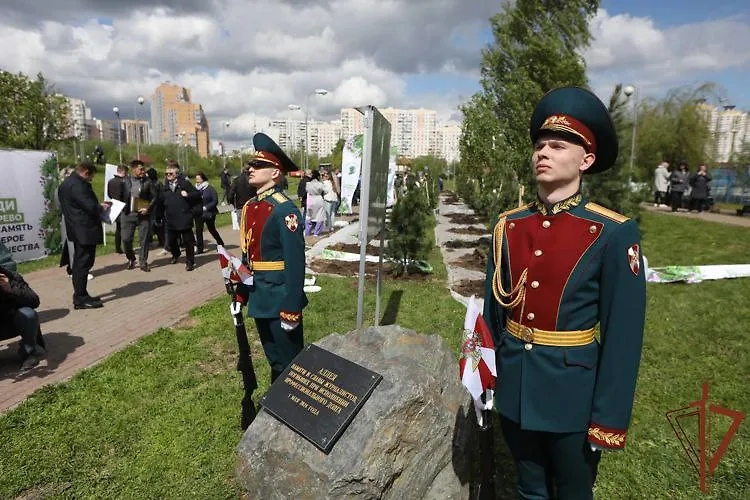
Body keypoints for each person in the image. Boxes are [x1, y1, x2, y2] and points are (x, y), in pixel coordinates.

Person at [483, 87, 646, 499]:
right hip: (516, 384)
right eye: (540, 145)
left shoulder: (611, 232)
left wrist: (608, 418)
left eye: (557, 145)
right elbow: (493, 312)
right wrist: (487, 374)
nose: (543, 153)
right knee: (528, 487)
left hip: (572, 394)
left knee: (573, 491)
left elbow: (623, 336)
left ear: (586, 160)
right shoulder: (510, 226)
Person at [239, 132, 307, 382]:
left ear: (275, 172)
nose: (251, 169)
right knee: (274, 359)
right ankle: (278, 407)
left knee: (291, 363)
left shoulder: (284, 210)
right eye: (251, 165)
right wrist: (241, 290)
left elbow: (296, 263)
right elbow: (248, 255)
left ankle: (295, 408)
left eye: (258, 165)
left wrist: (292, 306)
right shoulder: (252, 206)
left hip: (280, 298)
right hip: (260, 295)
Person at [57, 161, 110, 309]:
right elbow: (89, 206)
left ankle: (82, 294)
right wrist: (100, 207)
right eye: (90, 177)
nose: (90, 180)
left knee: (82, 263)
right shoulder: (78, 185)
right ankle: (80, 298)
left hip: (77, 228)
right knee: (82, 264)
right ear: (86, 172)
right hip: (84, 230)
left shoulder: (67, 183)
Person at [0, 265, 45, 371]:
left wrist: (10, 290)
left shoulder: (10, 276)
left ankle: (28, 352)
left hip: (10, 323)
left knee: (28, 314)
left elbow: (34, 300)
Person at [161, 161, 202, 271]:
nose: (168, 176)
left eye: (171, 173)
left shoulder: (184, 184)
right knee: (171, 241)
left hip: (184, 216)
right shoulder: (165, 187)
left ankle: (190, 262)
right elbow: (160, 201)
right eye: (167, 174)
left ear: (177, 174)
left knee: (188, 241)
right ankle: (176, 254)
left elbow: (197, 194)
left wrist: (188, 195)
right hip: (170, 217)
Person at [120, 159, 158, 272]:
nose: (143, 171)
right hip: (127, 214)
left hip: (143, 215)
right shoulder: (125, 181)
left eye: (143, 169)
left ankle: (143, 262)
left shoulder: (148, 182)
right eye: (140, 169)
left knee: (144, 239)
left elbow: (155, 197)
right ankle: (131, 258)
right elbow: (119, 195)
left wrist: (148, 208)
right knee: (126, 239)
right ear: (134, 169)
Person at [193, 171, 225, 253]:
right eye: (196, 178)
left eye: (198, 178)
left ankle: (220, 243)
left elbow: (215, 201)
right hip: (198, 213)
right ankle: (200, 248)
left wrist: (206, 207)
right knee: (198, 230)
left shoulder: (210, 188)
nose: (197, 180)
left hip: (209, 213)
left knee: (211, 229)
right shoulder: (195, 189)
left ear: (203, 179)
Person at [106, 164, 128, 253]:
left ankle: (117, 247)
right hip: (122, 207)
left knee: (118, 228)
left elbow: (109, 194)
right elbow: (125, 195)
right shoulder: (123, 182)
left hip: (114, 206)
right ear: (124, 172)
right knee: (125, 228)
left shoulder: (110, 181)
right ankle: (126, 247)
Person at [303, 170, 330, 236]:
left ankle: (307, 232)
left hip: (310, 199)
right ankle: (316, 232)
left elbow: (306, 190)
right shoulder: (320, 184)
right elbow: (326, 190)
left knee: (309, 216)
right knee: (319, 216)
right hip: (318, 199)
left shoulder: (308, 184)